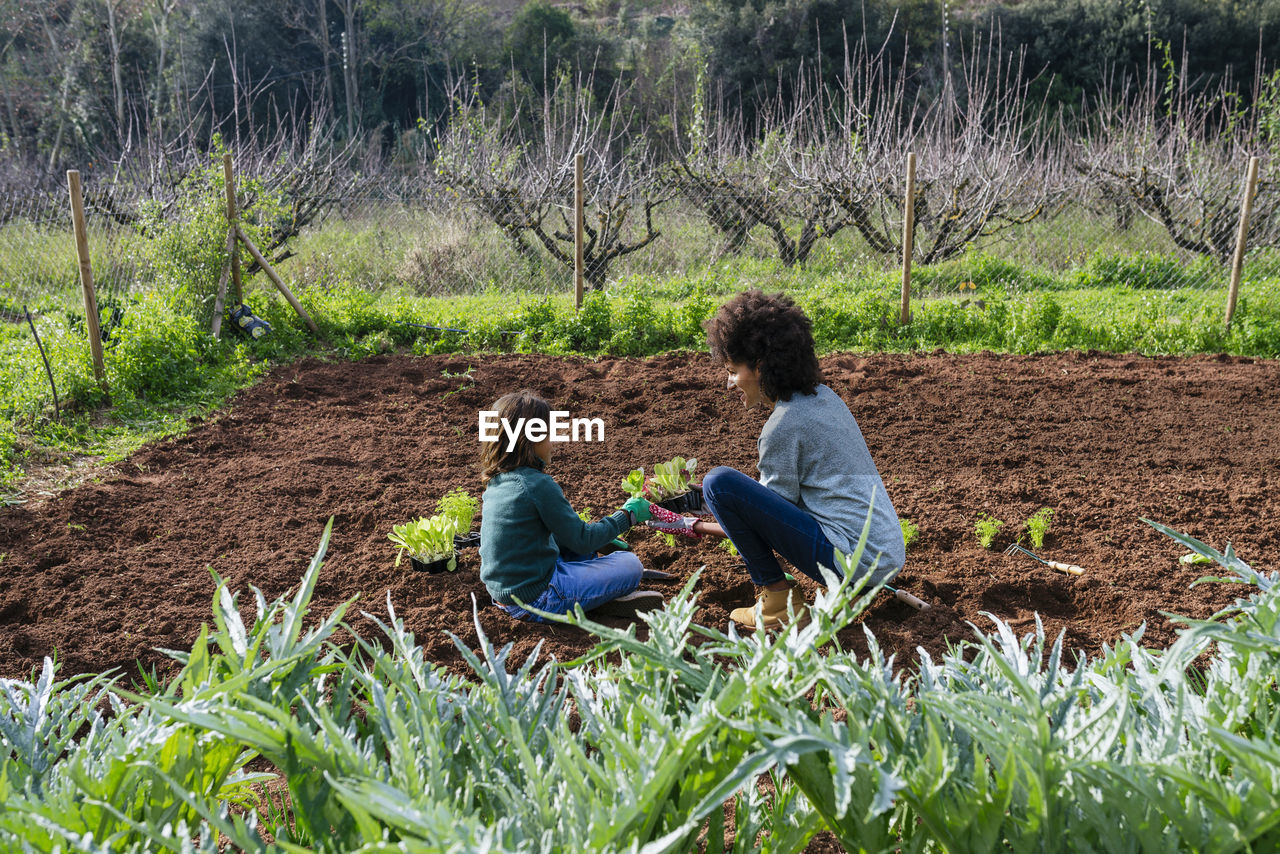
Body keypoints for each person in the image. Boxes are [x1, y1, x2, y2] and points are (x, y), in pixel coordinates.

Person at [649, 290, 905, 630]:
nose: (729, 384)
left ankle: (776, 601)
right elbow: (774, 507)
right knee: (716, 490)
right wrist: (689, 500)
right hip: (885, 554)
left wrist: (689, 524)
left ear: (758, 366)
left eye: (731, 370)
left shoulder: (783, 427)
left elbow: (764, 521)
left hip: (853, 562)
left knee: (719, 483)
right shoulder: (825, 399)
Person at [479, 389, 663, 622]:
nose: (553, 441)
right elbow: (583, 539)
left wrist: (601, 538)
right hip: (539, 599)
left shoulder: (497, 482)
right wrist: (627, 515)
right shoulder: (536, 484)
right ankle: (594, 600)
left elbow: (555, 537)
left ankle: (593, 596)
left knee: (581, 549)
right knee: (631, 566)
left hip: (505, 595)